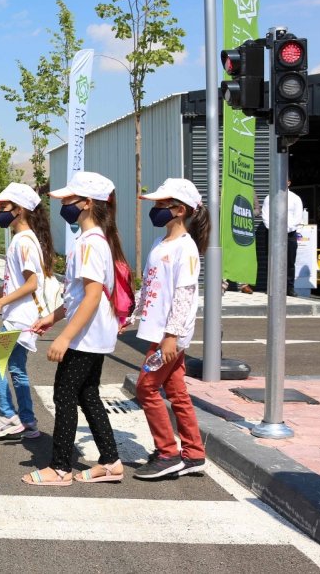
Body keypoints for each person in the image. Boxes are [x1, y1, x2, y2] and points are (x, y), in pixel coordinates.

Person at [27, 171, 125, 486]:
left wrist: (65, 337)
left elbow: (93, 296)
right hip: (93, 333)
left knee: (65, 393)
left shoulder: (91, 243)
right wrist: (53, 318)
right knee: (87, 394)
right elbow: (78, 294)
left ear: (86, 203)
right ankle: (110, 462)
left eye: (69, 199)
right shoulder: (91, 239)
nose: (64, 204)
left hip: (87, 335)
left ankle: (59, 468)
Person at [126, 178, 209, 479]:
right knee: (176, 391)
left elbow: (184, 295)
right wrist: (133, 314)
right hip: (158, 332)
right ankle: (194, 453)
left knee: (146, 388)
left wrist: (171, 336)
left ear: (180, 210)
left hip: (167, 336)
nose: (156, 209)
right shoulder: (160, 243)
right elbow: (150, 287)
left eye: (162, 204)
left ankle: (167, 454)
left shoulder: (185, 249)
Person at [0, 183, 52, 442]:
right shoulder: (22, 239)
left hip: (19, 319)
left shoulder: (24, 242)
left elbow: (31, 284)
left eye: (3, 206)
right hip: (20, 317)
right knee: (16, 368)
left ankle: (8, 415)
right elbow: (13, 284)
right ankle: (28, 421)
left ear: (19, 210)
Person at [261, 180, 303, 297]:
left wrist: (285, 230)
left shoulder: (295, 198)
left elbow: (297, 217)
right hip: (272, 234)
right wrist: (275, 230)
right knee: (271, 261)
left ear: (289, 182)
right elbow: (265, 216)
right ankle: (271, 287)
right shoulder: (269, 197)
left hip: (290, 234)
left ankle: (289, 288)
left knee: (290, 262)